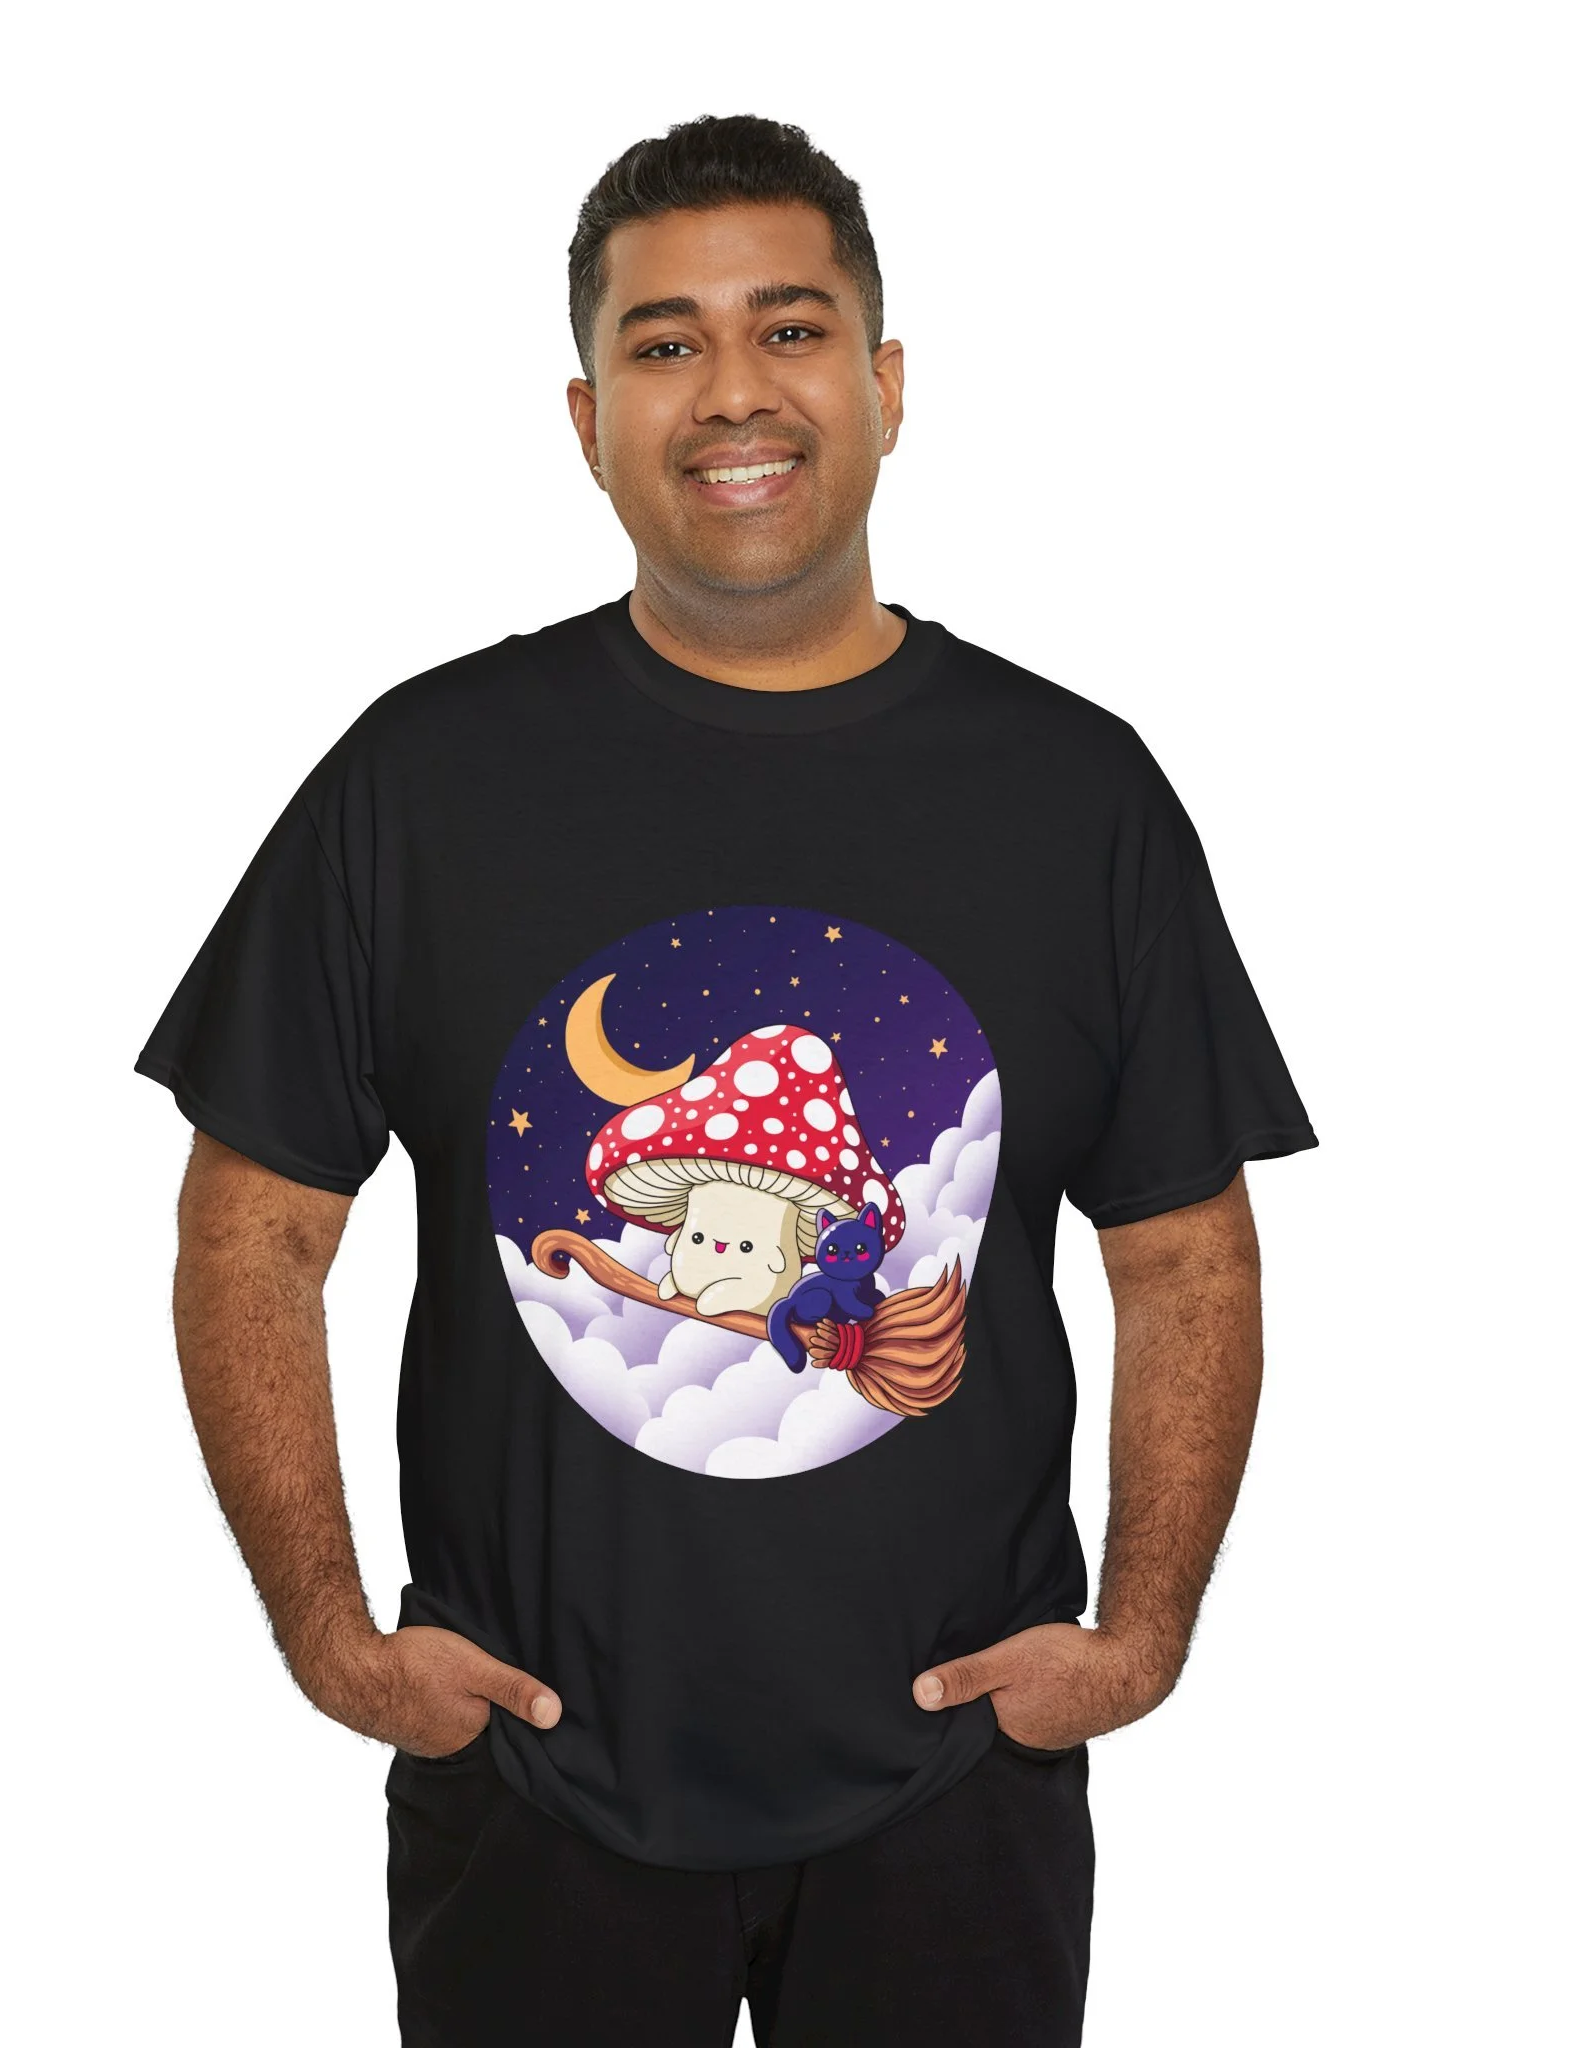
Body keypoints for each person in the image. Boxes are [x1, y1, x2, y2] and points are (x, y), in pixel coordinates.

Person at [135, 113, 1317, 2048]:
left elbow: (1186, 1250)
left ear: (887, 384)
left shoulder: (1075, 793)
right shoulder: (420, 783)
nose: (734, 392)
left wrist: (1142, 1634)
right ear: (588, 417)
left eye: (791, 327)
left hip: (960, 1778)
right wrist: (335, 1640)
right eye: (666, 343)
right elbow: (250, 1232)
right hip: (532, 1780)